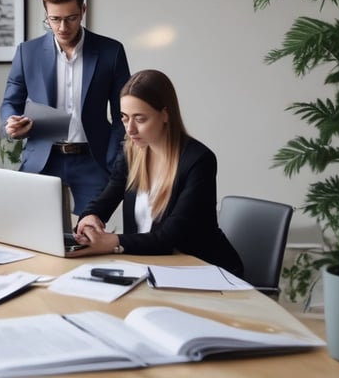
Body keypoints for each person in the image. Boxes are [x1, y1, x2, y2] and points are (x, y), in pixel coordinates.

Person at [70, 69, 243, 277]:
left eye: (140, 119)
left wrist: (111, 241)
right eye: (124, 118)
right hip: (150, 267)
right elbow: (107, 197)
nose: (130, 129)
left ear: (165, 114)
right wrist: (91, 217)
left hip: (202, 271)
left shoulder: (198, 161)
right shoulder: (131, 152)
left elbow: (169, 237)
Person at [0, 0, 131, 215]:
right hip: (43, 160)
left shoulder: (111, 52)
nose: (62, 27)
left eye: (70, 18)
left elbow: (123, 112)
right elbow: (11, 102)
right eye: (54, 19)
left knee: (87, 231)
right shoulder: (27, 53)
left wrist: (113, 159)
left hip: (93, 161)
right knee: (36, 230)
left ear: (83, 11)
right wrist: (10, 122)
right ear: (46, 15)